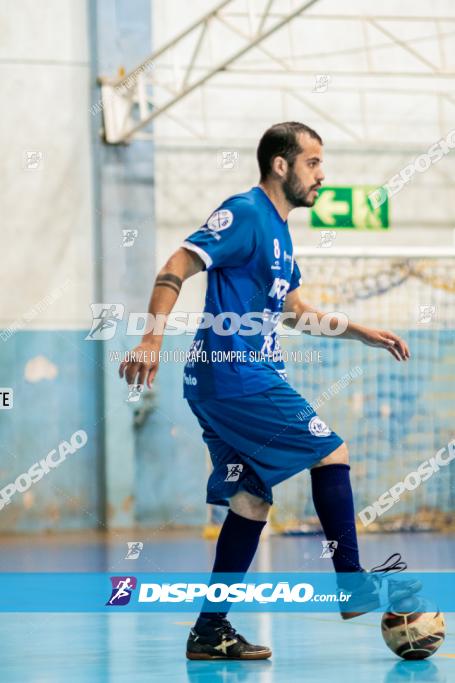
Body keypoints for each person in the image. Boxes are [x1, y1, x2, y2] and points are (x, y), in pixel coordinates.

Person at [119, 122, 420, 661]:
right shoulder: (245, 213)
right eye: (313, 163)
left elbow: (295, 312)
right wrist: (149, 337)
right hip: (236, 376)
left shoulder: (281, 233)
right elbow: (176, 266)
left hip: (229, 383)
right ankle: (350, 583)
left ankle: (210, 630)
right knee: (332, 449)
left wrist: (362, 331)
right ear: (281, 165)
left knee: (251, 502)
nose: (322, 176)